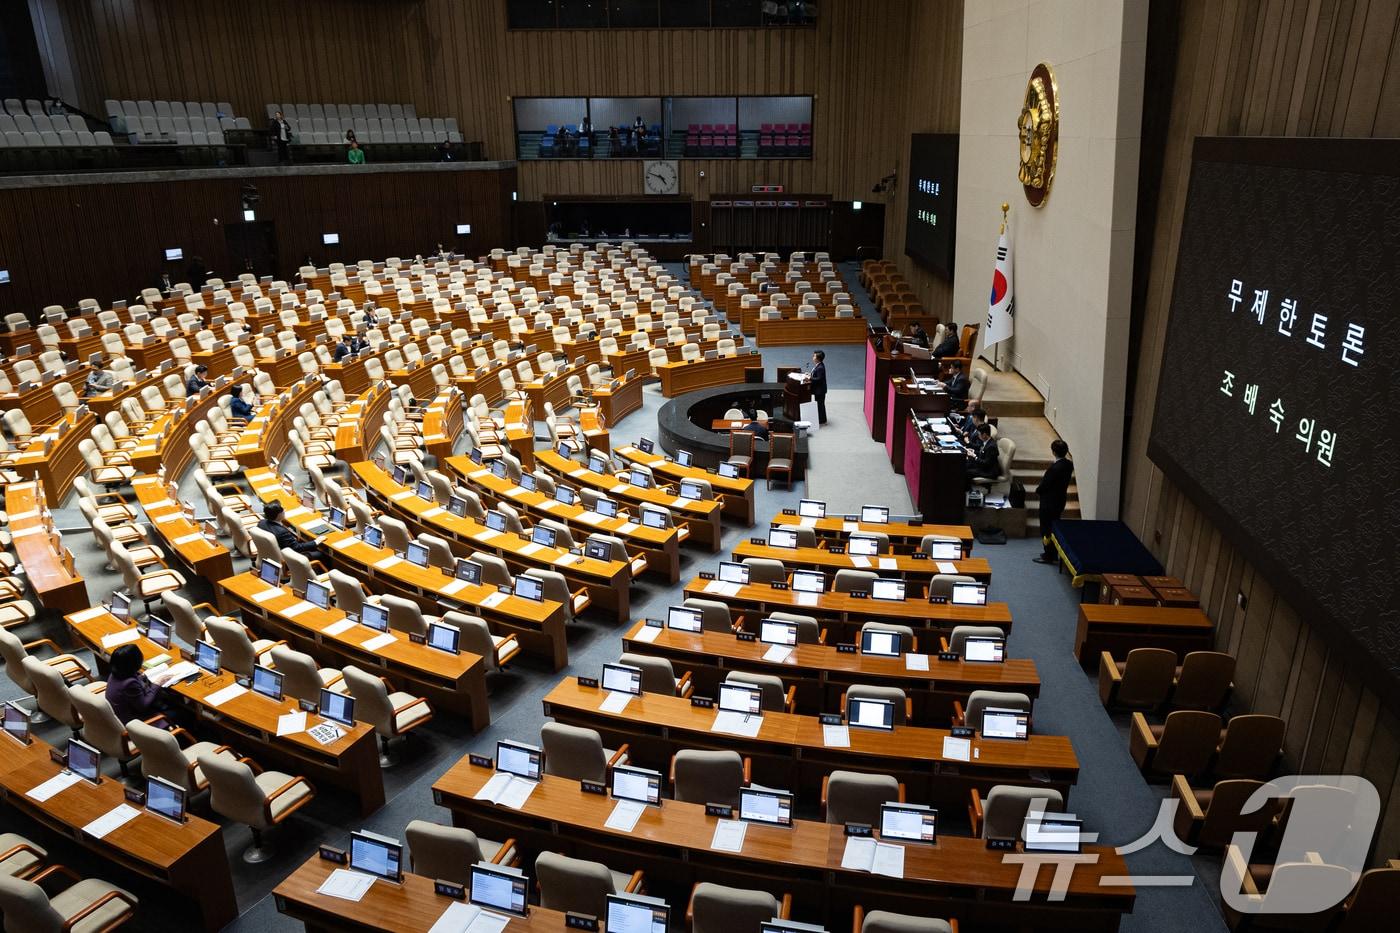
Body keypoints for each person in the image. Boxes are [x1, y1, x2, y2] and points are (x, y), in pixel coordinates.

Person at [105, 644, 179, 725]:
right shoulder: (129, 683)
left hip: (120, 713)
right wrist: (157, 683)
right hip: (134, 721)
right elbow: (143, 705)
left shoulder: (116, 672)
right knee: (177, 712)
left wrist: (140, 677)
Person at [1033, 440, 1074, 564]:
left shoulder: (1054, 469)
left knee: (1046, 529)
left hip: (1048, 502)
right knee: (1054, 527)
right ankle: (1053, 552)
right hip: (1060, 500)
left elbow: (1045, 485)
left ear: (1053, 452)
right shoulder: (1068, 464)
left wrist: (1038, 490)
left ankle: (1048, 555)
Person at [259, 500, 325, 561]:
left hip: (272, 553)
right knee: (321, 554)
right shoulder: (281, 532)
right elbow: (297, 548)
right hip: (288, 557)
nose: (285, 510)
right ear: (279, 514)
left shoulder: (261, 523)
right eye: (283, 510)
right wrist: (316, 541)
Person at [809, 349, 828, 425]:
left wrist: (810, 378)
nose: (813, 357)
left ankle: (821, 420)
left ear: (818, 358)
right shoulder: (819, 365)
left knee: (820, 405)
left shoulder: (820, 368)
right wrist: (810, 375)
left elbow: (819, 379)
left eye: (814, 356)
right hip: (819, 390)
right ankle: (821, 419)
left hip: (820, 390)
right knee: (819, 404)